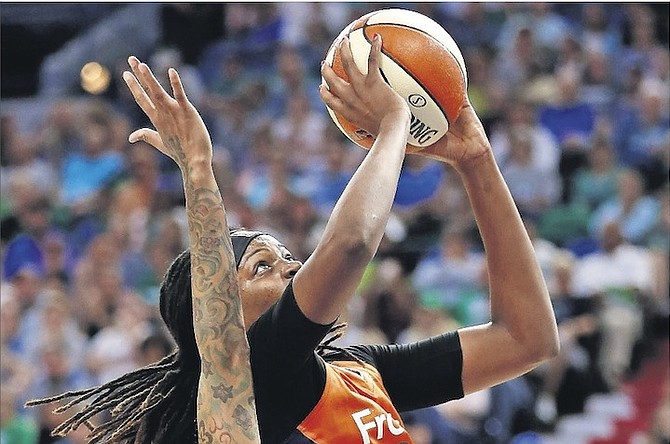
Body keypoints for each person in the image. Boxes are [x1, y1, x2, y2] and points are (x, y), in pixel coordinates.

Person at [29, 34, 559, 443]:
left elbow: (527, 339)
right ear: (216, 314)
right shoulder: (258, 376)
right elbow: (351, 243)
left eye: (286, 256)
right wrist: (395, 121)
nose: (290, 267)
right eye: (260, 266)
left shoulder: (359, 375)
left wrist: (478, 163)